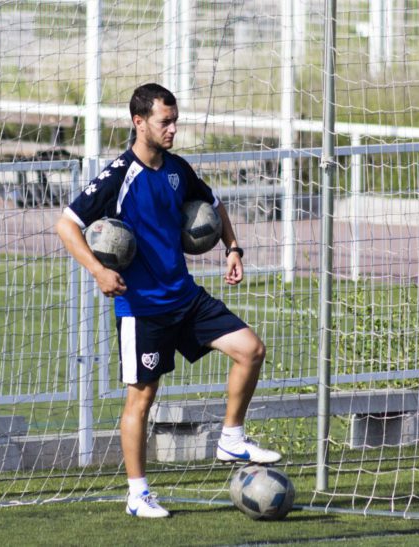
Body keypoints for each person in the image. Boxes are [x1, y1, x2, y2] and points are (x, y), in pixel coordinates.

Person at [55, 83, 281, 519]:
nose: (173, 129)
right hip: (141, 308)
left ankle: (231, 438)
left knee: (250, 350)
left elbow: (213, 205)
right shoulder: (119, 174)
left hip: (186, 297)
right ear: (139, 122)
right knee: (142, 397)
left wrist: (233, 249)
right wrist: (98, 270)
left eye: (175, 120)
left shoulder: (178, 168)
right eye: (165, 121)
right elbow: (66, 224)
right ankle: (137, 493)